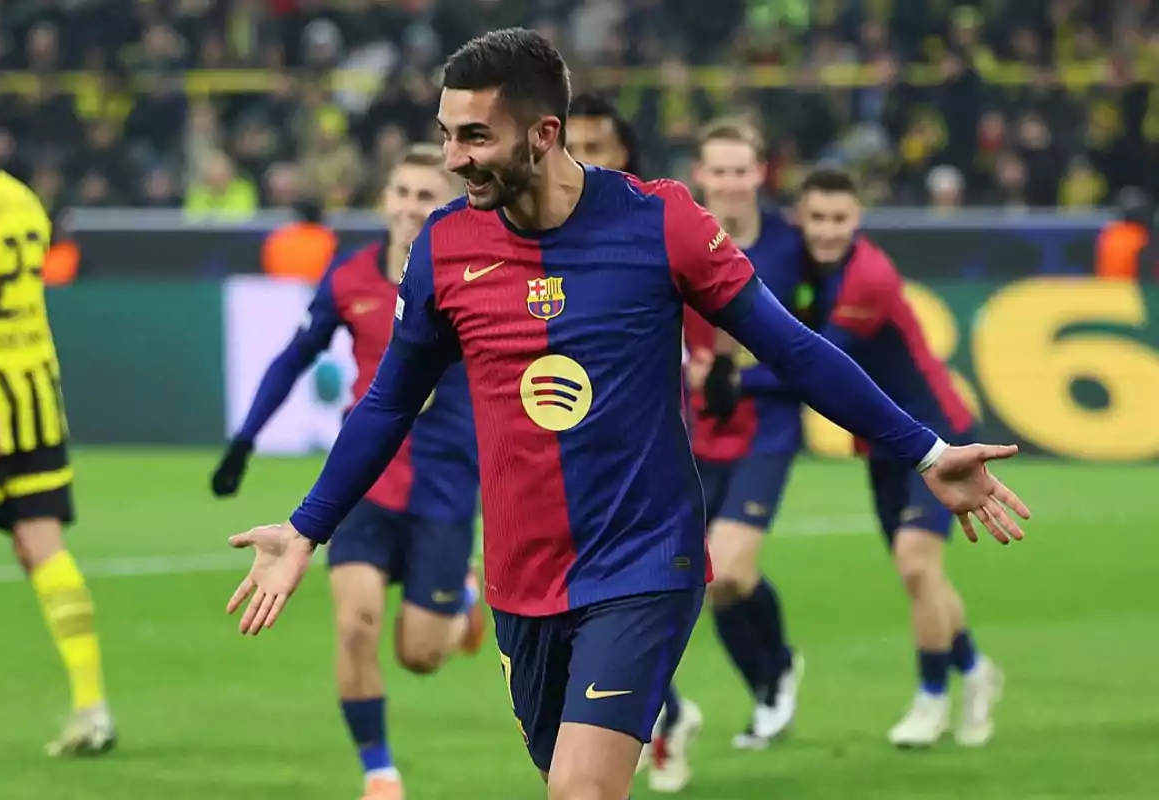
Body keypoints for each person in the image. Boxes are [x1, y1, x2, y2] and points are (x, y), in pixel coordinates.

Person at [223, 29, 1029, 800]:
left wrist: (925, 453)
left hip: (644, 562)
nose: (452, 158)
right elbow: (390, 399)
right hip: (521, 579)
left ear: (543, 133)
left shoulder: (661, 222)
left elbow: (792, 348)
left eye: (474, 136)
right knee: (568, 781)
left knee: (581, 788)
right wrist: (307, 528)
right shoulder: (446, 248)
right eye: (446, 134)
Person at [211, 144, 485, 800]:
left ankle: (465, 600)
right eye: (402, 192)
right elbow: (291, 359)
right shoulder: (350, 279)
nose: (411, 206)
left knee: (420, 655)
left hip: (446, 489)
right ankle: (379, 771)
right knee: (354, 622)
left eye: (426, 195)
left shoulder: (473, 280)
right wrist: (244, 440)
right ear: (384, 200)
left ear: (446, 204)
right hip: (365, 485)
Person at [738, 166, 1005, 748]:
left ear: (858, 220)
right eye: (818, 219)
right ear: (800, 220)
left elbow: (815, 364)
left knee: (915, 564)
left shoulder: (868, 278)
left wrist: (733, 381)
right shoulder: (806, 270)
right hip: (888, 447)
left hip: (939, 437)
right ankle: (976, 671)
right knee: (920, 576)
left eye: (840, 219)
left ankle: (932, 700)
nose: (829, 231)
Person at [0, 85, 114, 757]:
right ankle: (92, 706)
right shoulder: (21, 199)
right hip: (35, 393)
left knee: (39, 546)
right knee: (39, 545)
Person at [565, 90, 700, 794]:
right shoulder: (522, 241)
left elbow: (743, 322)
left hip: (645, 481)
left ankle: (667, 719)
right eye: (573, 145)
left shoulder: (655, 228)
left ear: (625, 156)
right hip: (554, 499)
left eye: (599, 147)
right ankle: (666, 712)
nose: (583, 160)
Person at [684, 118, 805, 749]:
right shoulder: (676, 237)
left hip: (767, 427)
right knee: (709, 579)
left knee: (728, 567)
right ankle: (769, 685)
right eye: (719, 171)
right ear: (701, 175)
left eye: (741, 170)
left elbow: (818, 332)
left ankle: (778, 666)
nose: (730, 183)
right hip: (696, 430)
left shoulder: (792, 244)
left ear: (761, 173)